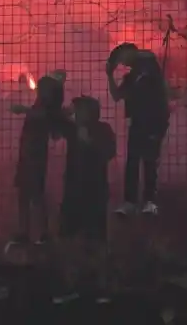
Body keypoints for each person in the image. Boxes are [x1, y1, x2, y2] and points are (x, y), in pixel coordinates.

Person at [56, 95, 116, 303]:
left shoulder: (103, 130)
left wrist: (89, 140)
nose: (77, 113)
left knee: (98, 241)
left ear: (91, 112)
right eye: (75, 110)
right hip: (73, 194)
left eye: (79, 109)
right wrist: (62, 113)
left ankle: (101, 287)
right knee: (68, 240)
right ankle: (70, 285)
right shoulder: (72, 129)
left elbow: (109, 153)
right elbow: (55, 127)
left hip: (95, 193)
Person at [6, 73, 69, 249]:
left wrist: (23, 109)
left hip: (34, 154)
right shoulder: (45, 106)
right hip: (28, 152)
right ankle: (28, 231)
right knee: (26, 194)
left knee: (33, 193)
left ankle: (40, 233)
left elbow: (44, 117)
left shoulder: (46, 108)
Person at [106, 42, 170, 216]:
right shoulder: (131, 77)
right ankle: (130, 202)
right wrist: (109, 74)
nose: (123, 63)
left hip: (153, 121)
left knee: (149, 161)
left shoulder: (148, 65)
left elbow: (146, 56)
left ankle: (150, 201)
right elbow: (117, 96)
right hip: (137, 122)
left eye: (122, 58)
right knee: (133, 162)